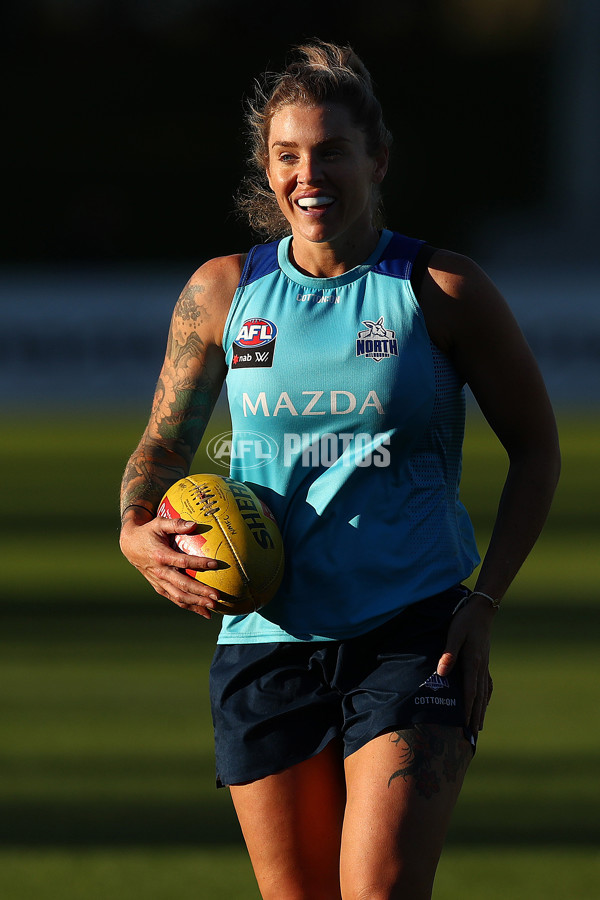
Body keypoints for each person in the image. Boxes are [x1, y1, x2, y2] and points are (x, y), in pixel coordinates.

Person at [119, 41, 560, 900]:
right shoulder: (222, 293)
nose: (307, 173)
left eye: (331, 151)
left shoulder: (438, 289)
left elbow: (538, 451)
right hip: (263, 645)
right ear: (267, 167)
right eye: (287, 155)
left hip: (412, 635)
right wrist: (136, 530)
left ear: (378, 159)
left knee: (380, 891)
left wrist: (486, 601)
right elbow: (161, 449)